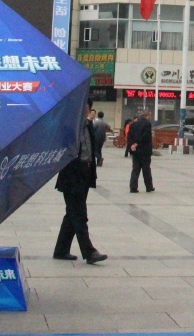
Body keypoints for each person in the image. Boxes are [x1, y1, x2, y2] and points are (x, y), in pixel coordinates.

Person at [54, 100, 107, 264]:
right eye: (82, 108)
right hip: (71, 176)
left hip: (85, 173)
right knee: (79, 215)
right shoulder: (68, 127)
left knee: (72, 214)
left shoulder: (89, 126)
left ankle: (61, 250)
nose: (85, 111)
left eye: (87, 109)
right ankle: (89, 252)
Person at [127, 109, 154, 193]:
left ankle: (133, 187)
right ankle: (149, 187)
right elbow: (146, 136)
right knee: (146, 169)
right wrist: (137, 143)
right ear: (147, 116)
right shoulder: (147, 124)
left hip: (135, 150)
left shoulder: (133, 124)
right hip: (144, 150)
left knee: (135, 169)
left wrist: (132, 144)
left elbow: (129, 136)